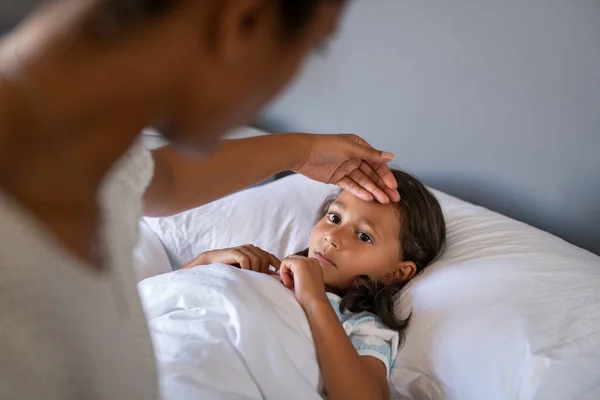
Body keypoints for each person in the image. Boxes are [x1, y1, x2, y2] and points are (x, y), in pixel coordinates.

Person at [0, 1, 402, 399]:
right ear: (244, 20)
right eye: (312, 46)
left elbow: (165, 178)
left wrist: (302, 153)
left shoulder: (98, 166)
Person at [183, 169, 447, 399]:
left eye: (364, 236)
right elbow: (153, 300)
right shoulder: (269, 274)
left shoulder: (362, 325)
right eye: (334, 218)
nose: (332, 237)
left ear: (398, 272)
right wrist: (207, 262)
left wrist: (315, 300)